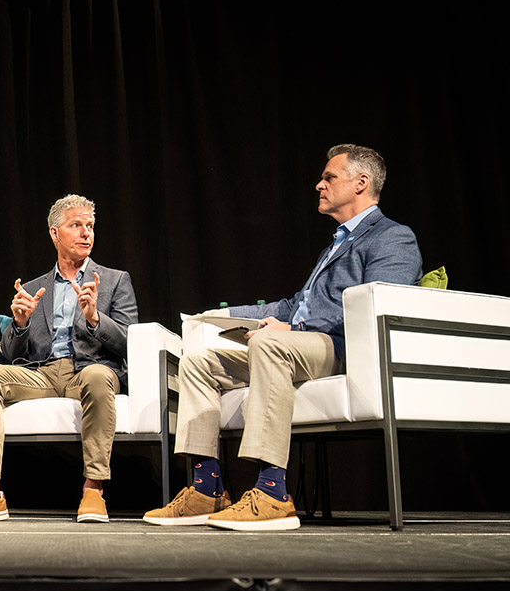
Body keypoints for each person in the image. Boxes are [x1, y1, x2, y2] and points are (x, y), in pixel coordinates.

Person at [144, 144, 422, 531]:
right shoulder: (336, 242)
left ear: (361, 183)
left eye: (329, 177)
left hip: (343, 348)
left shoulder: (393, 237)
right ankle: (207, 489)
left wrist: (294, 330)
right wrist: (223, 316)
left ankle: (272, 492)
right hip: (298, 346)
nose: (319, 185)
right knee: (200, 362)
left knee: (268, 343)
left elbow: (377, 303)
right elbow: (294, 305)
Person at [0, 194, 138, 523]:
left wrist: (95, 319)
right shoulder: (35, 287)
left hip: (89, 370)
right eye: (76, 225)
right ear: (54, 233)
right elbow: (10, 354)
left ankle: (93, 490)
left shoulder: (114, 281)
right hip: (42, 373)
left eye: (90, 226)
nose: (86, 233)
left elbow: (129, 342)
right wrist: (20, 324)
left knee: (98, 377)